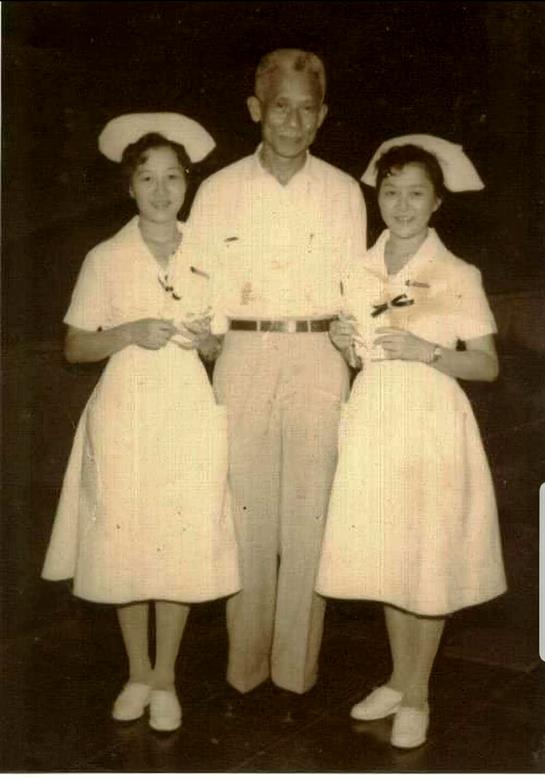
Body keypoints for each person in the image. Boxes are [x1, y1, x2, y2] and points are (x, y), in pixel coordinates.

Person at [41, 113, 240, 732]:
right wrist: (127, 332)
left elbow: (220, 347)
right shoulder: (106, 257)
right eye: (148, 178)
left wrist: (207, 340)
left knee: (178, 538)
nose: (161, 190)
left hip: (185, 408)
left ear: (188, 183)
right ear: (129, 186)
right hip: (125, 409)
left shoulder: (209, 253)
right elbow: (75, 345)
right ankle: (136, 671)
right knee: (126, 541)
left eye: (172, 177)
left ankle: (166, 678)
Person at [183, 49, 367, 696]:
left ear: (322, 117)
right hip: (243, 355)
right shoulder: (219, 190)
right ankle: (244, 667)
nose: (292, 121)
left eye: (306, 109)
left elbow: (358, 290)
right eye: (280, 106)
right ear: (256, 110)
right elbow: (194, 285)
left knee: (310, 514)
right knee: (244, 513)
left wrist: (353, 344)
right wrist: (207, 346)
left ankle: (296, 669)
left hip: (319, 355)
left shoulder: (344, 192)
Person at [316, 135, 507, 748]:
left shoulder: (456, 273)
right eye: (391, 192)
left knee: (426, 556)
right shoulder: (358, 269)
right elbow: (354, 355)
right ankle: (400, 680)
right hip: (374, 419)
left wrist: (428, 351)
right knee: (389, 556)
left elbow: (487, 365)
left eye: (416, 194)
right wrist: (343, 340)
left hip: (430, 422)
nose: (401, 205)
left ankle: (418, 692)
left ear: (437, 203)